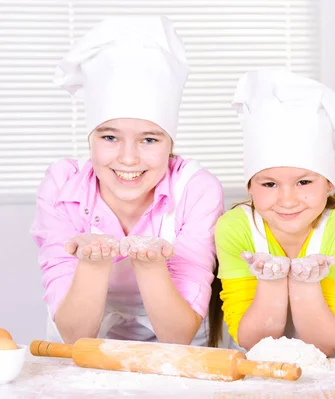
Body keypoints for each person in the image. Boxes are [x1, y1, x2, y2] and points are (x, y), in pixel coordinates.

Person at [30, 16, 224, 346]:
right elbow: (76, 337)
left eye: (149, 140)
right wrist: (94, 262)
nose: (129, 159)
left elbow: (178, 336)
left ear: (170, 144)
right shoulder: (62, 184)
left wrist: (149, 264)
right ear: (90, 138)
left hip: (176, 353)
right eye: (109, 137)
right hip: (82, 348)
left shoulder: (196, 189)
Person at [214, 68, 335, 356]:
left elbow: (325, 344)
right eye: (269, 183)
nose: (287, 200)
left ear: (329, 183)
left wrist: (305, 284)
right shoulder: (235, 228)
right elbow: (252, 343)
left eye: (304, 182)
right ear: (249, 186)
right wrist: (270, 282)